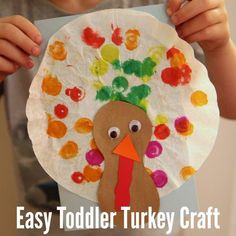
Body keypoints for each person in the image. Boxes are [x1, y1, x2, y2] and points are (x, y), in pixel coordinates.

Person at [0, 0, 235, 234]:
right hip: (45, 224)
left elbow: (231, 106)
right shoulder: (7, 11)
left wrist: (218, 47)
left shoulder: (170, 6)